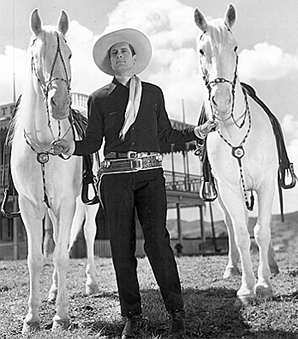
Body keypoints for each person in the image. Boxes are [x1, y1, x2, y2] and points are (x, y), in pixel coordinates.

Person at [52, 28, 217, 339]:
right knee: (121, 249)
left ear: (135, 58)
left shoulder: (153, 93)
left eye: (123, 51)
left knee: (158, 243)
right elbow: (92, 141)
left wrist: (197, 132)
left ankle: (176, 312)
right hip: (114, 180)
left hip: (150, 176)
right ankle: (132, 316)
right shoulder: (100, 99)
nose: (118, 56)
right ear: (110, 63)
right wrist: (71, 147)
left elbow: (166, 135)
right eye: (113, 53)